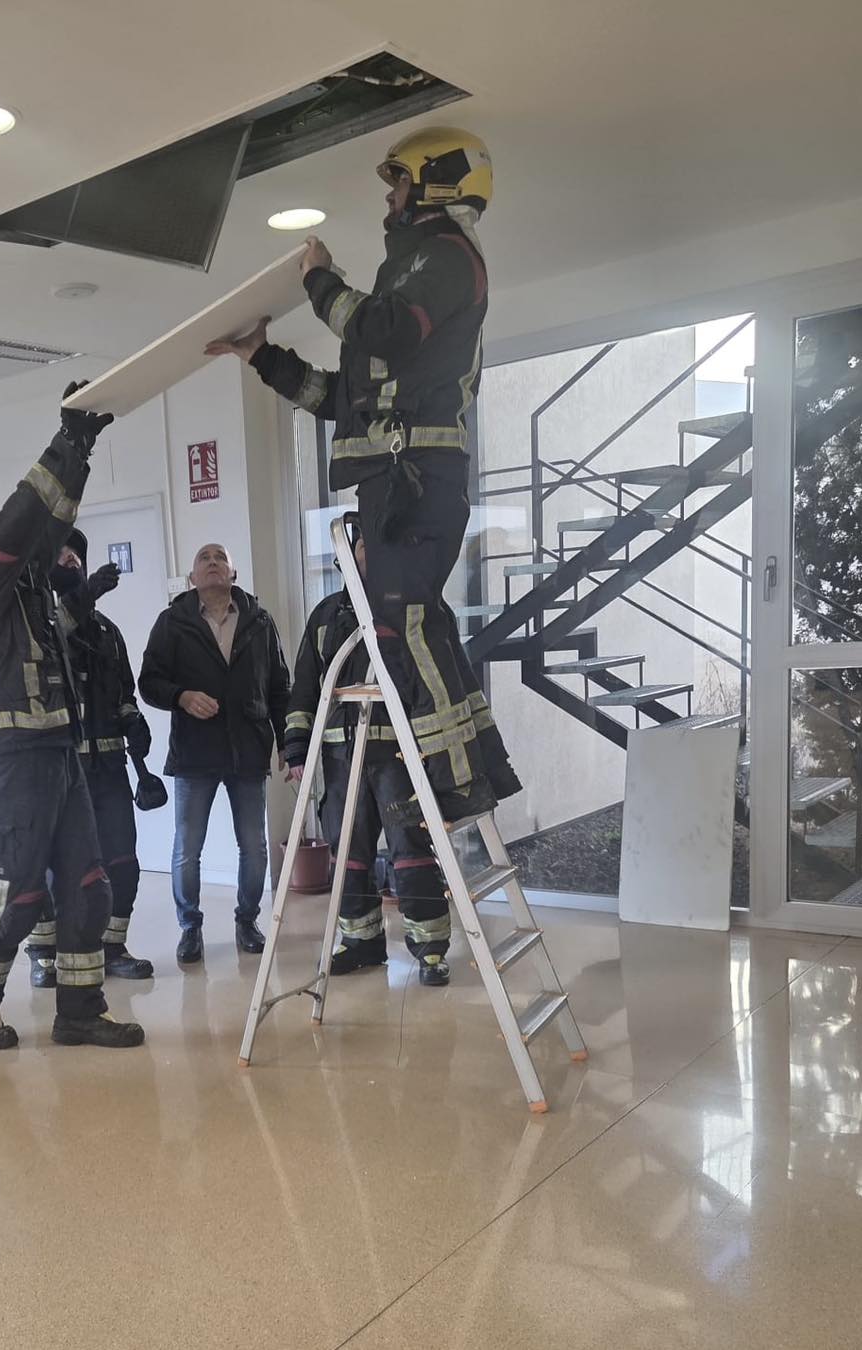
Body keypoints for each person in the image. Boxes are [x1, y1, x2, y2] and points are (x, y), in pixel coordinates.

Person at [206, 126, 521, 828]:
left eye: (399, 179)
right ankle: (472, 770)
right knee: (416, 623)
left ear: (436, 183)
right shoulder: (413, 275)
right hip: (400, 482)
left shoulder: (446, 257)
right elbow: (339, 401)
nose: (390, 194)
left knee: (403, 626)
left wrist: (318, 279)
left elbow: (383, 330)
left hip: (415, 481)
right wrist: (262, 356)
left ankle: (459, 781)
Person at [0, 384, 144, 1051]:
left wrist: (81, 453)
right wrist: (61, 441)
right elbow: (18, 528)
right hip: (13, 756)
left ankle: (80, 1011)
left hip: (57, 749)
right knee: (17, 890)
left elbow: (48, 525)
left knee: (88, 886)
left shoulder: (18, 580)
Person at [285, 534, 451, 985]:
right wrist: (296, 747)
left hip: (400, 757)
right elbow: (305, 686)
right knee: (348, 855)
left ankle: (430, 950)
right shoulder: (326, 616)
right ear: (346, 556)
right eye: (360, 545)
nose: (369, 551)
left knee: (411, 853)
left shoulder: (413, 607)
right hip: (341, 759)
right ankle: (361, 942)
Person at [139, 543, 290, 964]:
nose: (212, 563)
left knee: (254, 846)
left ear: (232, 573)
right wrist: (181, 696)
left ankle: (247, 921)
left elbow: (279, 686)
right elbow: (149, 681)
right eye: (204, 558)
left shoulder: (260, 622)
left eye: (219, 557)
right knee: (187, 848)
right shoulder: (171, 622)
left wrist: (287, 740)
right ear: (192, 578)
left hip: (248, 749)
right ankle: (190, 927)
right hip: (195, 751)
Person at [22, 530, 156, 988]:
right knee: (50, 868)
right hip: (57, 772)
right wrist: (86, 596)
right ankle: (44, 954)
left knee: (122, 862)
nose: (71, 559)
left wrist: (133, 720)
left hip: (109, 771)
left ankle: (113, 947)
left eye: (77, 553)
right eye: (61, 553)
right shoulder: (37, 627)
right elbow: (48, 644)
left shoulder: (108, 633)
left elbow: (123, 692)